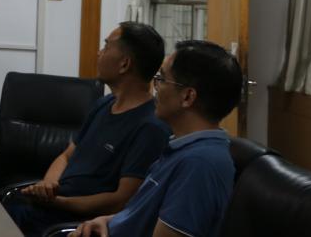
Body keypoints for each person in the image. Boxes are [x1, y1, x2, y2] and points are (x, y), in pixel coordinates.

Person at [5, 22, 170, 236]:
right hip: (53, 206)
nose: (99, 53)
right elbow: (66, 156)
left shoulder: (150, 126)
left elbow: (120, 201)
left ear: (124, 64)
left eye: (106, 46)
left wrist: (59, 202)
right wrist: (48, 183)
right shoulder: (103, 104)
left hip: (78, 221)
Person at [73, 40, 243, 237]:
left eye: (162, 79)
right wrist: (107, 221)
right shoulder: (181, 147)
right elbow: (140, 216)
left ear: (187, 97)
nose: (155, 88)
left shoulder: (199, 164)